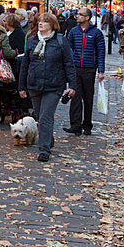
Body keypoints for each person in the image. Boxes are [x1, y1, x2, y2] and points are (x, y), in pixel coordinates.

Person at [19, 13, 76, 162]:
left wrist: (72, 85)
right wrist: (22, 86)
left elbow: (68, 64)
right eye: (39, 21)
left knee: (45, 116)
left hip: (54, 85)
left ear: (52, 24)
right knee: (39, 115)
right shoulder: (32, 41)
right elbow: (25, 64)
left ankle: (44, 149)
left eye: (45, 21)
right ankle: (48, 138)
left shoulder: (60, 41)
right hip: (35, 84)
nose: (41, 24)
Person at [64, 7, 106, 136]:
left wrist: (101, 70)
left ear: (87, 17)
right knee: (75, 96)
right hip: (76, 68)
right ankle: (75, 125)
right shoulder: (73, 32)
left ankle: (87, 124)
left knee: (88, 97)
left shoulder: (96, 33)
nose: (77, 16)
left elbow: (100, 52)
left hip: (89, 68)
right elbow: (68, 48)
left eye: (80, 15)